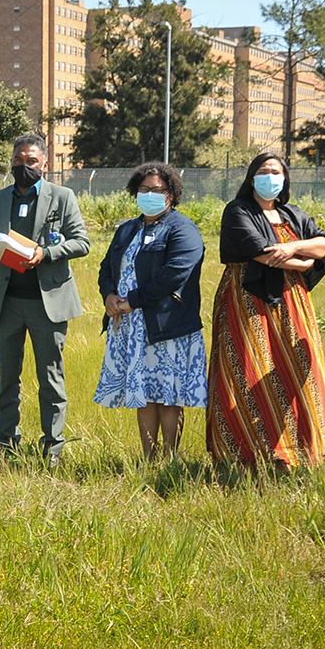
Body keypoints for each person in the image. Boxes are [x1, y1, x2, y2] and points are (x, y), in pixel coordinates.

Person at [207, 152, 325, 469]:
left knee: (300, 369)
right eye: (264, 171)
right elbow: (259, 251)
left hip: (293, 304)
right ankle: (245, 454)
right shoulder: (238, 210)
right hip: (248, 303)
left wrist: (293, 247)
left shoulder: (293, 214)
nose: (270, 177)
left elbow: (324, 245)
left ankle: (297, 452)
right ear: (252, 178)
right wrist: (303, 262)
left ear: (285, 179)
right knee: (246, 369)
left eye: (276, 172)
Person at [0, 133, 86, 462]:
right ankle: (5, 445)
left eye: (32, 161)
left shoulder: (62, 197)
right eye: (18, 160)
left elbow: (81, 242)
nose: (24, 166)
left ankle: (52, 447)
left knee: (51, 379)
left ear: (45, 164)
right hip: (5, 304)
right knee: (6, 379)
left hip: (47, 305)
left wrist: (46, 253)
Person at [95, 162, 204, 461]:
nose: (150, 194)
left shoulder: (182, 229)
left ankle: (169, 459)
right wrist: (109, 295)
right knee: (143, 393)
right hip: (132, 327)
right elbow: (107, 267)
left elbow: (175, 272)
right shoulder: (127, 229)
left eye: (157, 190)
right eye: (144, 189)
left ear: (171, 194)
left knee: (168, 395)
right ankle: (149, 459)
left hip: (167, 326)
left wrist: (133, 300)